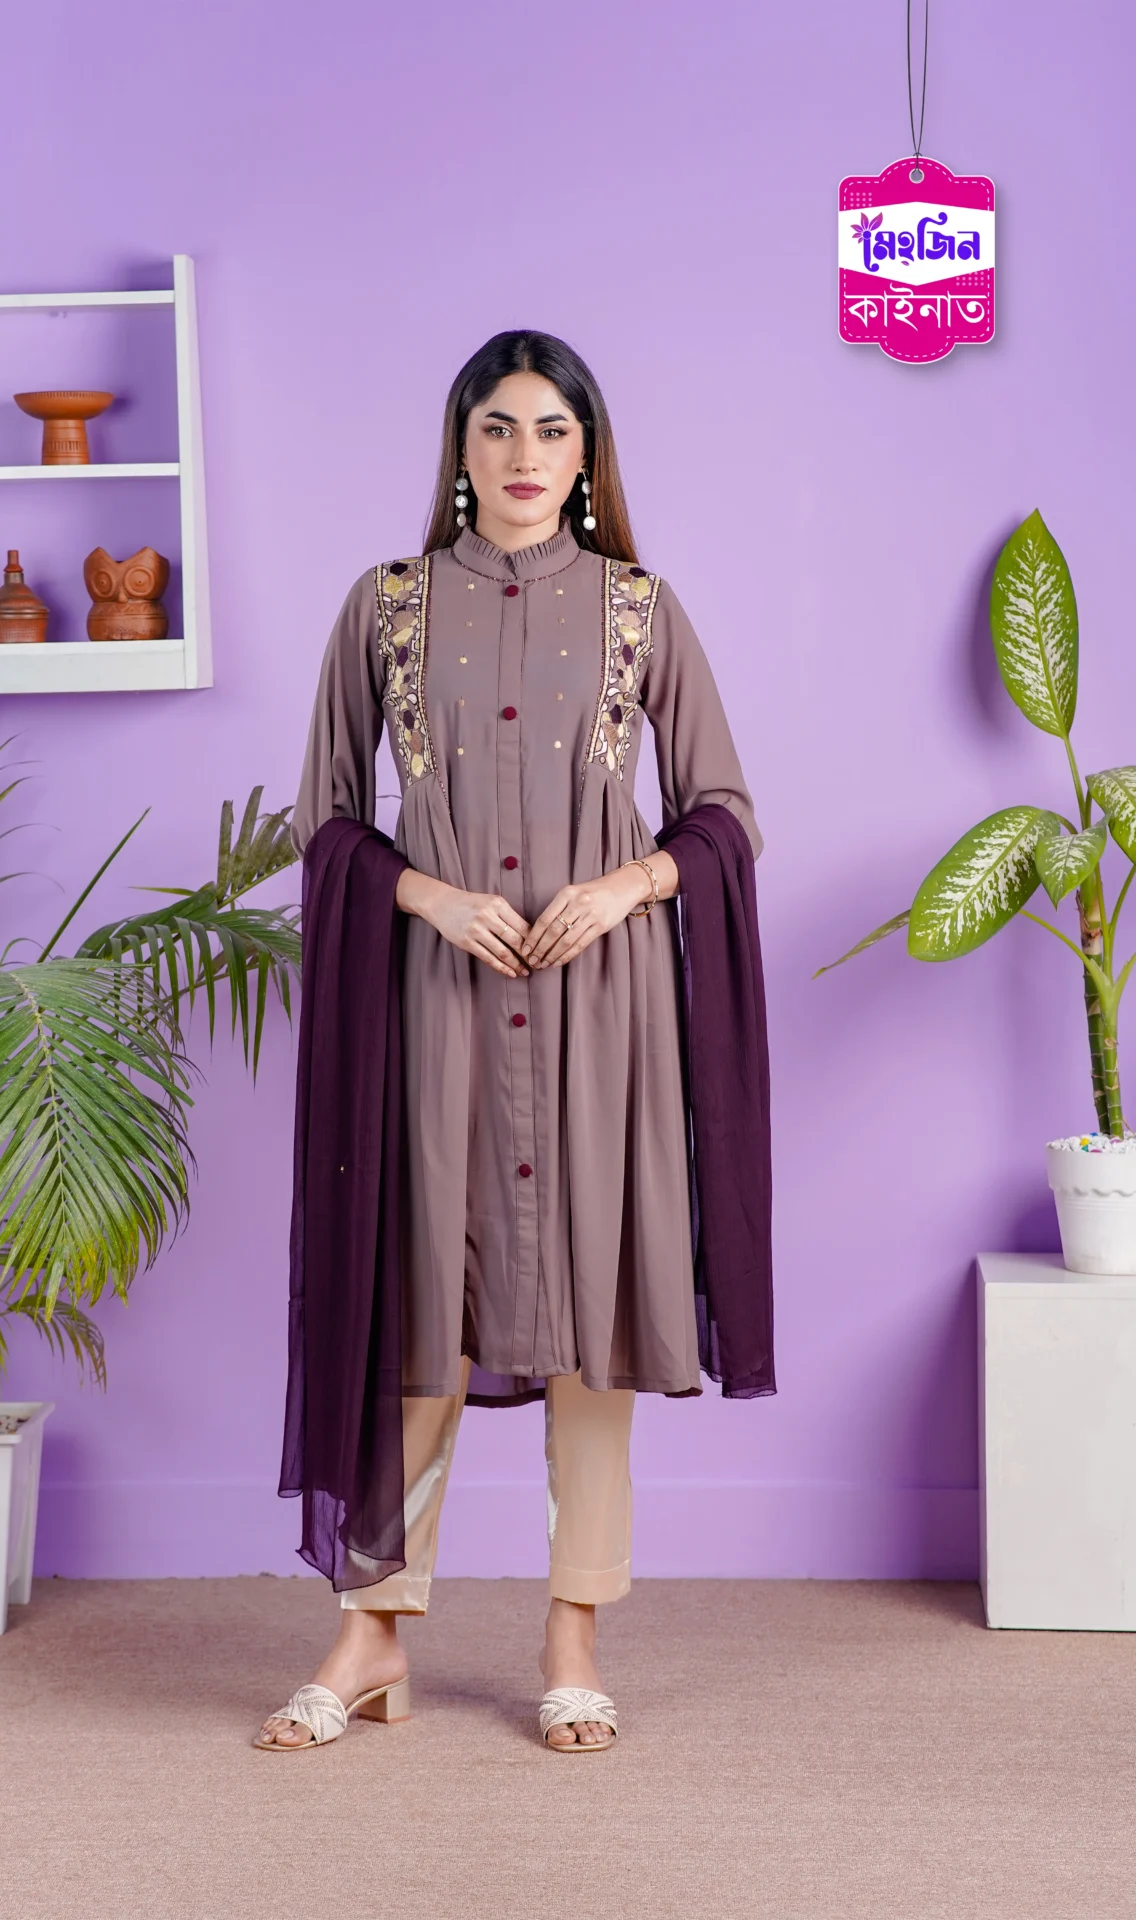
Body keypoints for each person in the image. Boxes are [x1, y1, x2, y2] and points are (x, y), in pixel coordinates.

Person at [257, 330, 772, 1756]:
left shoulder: (639, 610)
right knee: (416, 1302)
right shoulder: (386, 607)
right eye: (498, 428)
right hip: (433, 1009)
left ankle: (572, 1635)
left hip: (604, 1016)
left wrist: (626, 886)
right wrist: (426, 895)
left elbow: (725, 812)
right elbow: (322, 817)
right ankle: (371, 1632)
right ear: (460, 446)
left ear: (587, 454)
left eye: (553, 430)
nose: (525, 455)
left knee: (592, 1318)